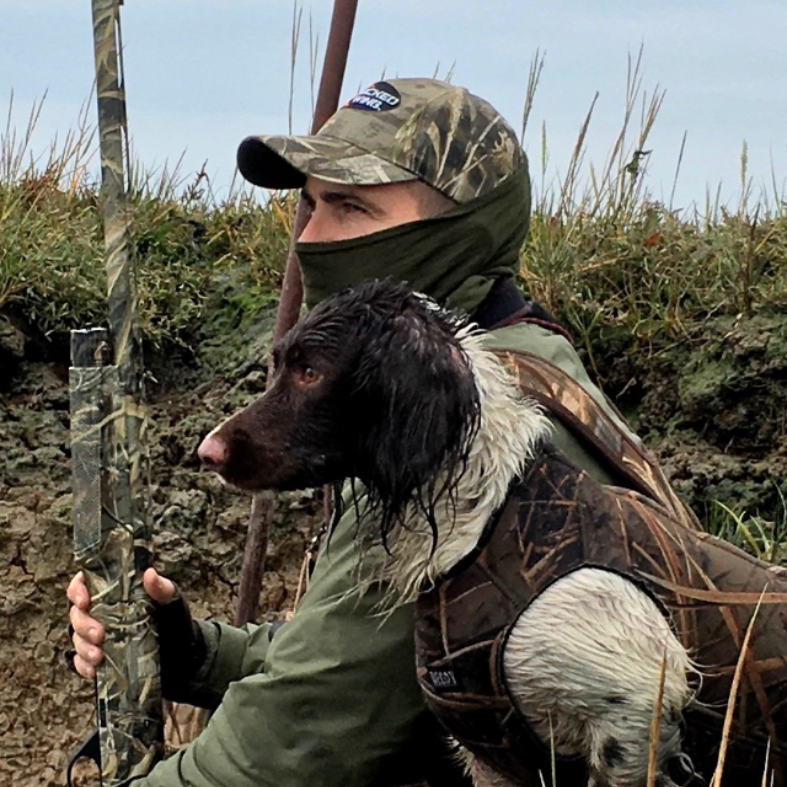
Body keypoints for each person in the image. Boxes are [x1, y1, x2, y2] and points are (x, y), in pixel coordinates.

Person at [67, 77, 641, 786]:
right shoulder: (508, 363)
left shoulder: (466, 428)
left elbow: (293, 745)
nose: (308, 239)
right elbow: (369, 659)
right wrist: (193, 652)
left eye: (350, 206)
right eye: (309, 205)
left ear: (457, 232)